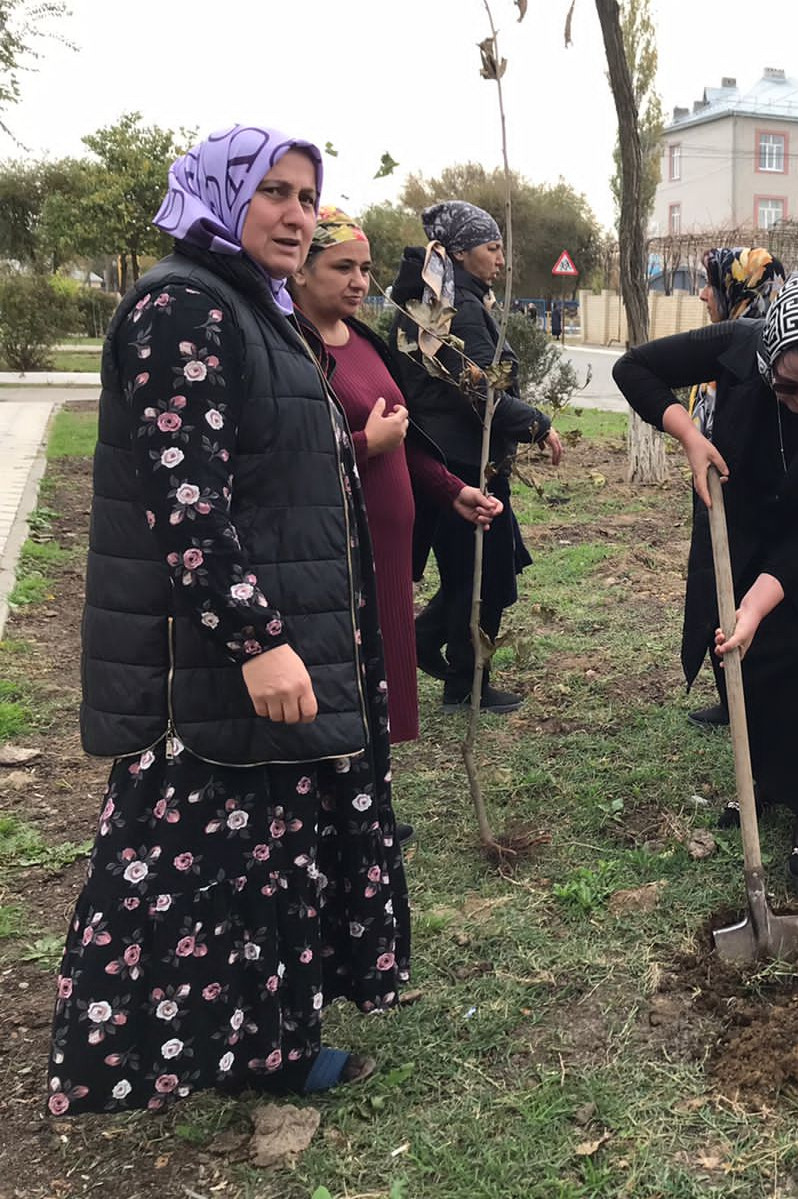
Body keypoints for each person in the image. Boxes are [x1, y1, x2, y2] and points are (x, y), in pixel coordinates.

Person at [50, 126, 409, 1115]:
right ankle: (175, 1057)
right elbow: (185, 502)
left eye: (307, 196)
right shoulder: (182, 307)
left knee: (271, 867)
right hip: (220, 662)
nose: (296, 214)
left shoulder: (253, 306)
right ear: (220, 194)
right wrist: (256, 639)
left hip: (281, 644)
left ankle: (275, 1047)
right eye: (275, 193)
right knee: (201, 875)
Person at [613, 272, 798, 883]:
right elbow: (634, 369)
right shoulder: (738, 343)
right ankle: (763, 781)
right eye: (788, 387)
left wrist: (759, 604)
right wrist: (688, 435)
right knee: (743, 654)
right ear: (766, 359)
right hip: (739, 514)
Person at [288, 206, 503, 744]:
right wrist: (365, 444)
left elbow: (400, 440)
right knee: (338, 690)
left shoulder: (360, 341)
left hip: (385, 555)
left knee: (379, 688)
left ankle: (375, 809)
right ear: (299, 270)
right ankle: (353, 814)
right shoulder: (290, 347)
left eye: (364, 267)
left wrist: (452, 490)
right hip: (332, 555)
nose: (360, 281)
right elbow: (286, 458)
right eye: (343, 268)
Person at [388, 201, 563, 714]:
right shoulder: (457, 307)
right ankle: (465, 683)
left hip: (459, 458)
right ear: (461, 251)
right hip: (464, 465)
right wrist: (540, 425)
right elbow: (481, 391)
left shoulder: (445, 298)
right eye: (493, 247)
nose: (502, 259)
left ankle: (451, 667)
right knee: (483, 577)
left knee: (487, 570)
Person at [678, 246, 788, 729]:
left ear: (737, 290)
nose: (704, 294)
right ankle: (732, 698)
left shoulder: (770, 355)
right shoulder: (725, 345)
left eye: (711, 284)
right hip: (717, 499)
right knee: (715, 593)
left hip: (751, 510)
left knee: (744, 599)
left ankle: (751, 700)